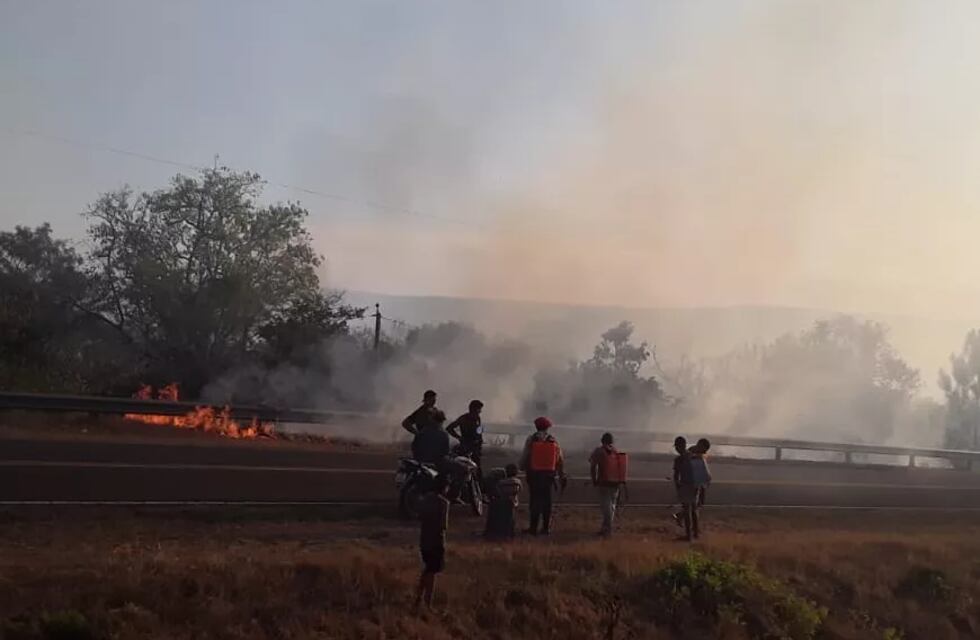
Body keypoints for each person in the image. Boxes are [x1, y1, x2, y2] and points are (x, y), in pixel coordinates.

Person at [520, 416, 566, 535]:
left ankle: (533, 528)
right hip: (548, 476)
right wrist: (561, 476)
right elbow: (560, 459)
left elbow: (525, 455)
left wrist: (521, 466)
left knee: (534, 500)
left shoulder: (531, 439)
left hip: (534, 475)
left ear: (536, 427)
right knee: (547, 501)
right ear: (547, 428)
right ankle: (545, 528)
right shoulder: (553, 441)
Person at [415, 473, 450, 611]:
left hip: (424, 540)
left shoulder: (425, 499)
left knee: (427, 571)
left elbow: (419, 516)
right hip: (436, 542)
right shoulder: (444, 503)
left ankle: (418, 598)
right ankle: (428, 604)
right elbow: (444, 526)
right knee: (432, 573)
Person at [589, 432, 623, 537]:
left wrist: (594, 479)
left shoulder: (599, 451)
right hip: (615, 482)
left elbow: (593, 466)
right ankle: (606, 527)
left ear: (602, 440)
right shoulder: (616, 451)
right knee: (611, 506)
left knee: (606, 506)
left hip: (604, 482)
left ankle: (607, 528)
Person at [673, 438, 712, 527]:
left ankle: (683, 518)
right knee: (693, 506)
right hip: (693, 482)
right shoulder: (692, 452)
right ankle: (689, 527)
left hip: (697, 482)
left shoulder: (697, 453)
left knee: (695, 505)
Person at [483, 463, 522, 539]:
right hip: (511, 502)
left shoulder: (501, 483)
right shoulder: (517, 482)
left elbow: (498, 490)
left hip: (501, 499)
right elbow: (520, 489)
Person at [672, 436, 700, 541]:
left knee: (687, 510)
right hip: (695, 485)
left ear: (679, 446)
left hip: (686, 485)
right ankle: (695, 533)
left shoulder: (679, 459)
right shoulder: (693, 456)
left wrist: (678, 488)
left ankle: (688, 535)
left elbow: (676, 476)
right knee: (693, 510)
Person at [446, 400, 484, 470]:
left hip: (475, 448)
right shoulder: (463, 419)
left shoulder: (478, 418)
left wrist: (480, 441)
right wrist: (459, 437)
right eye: (479, 409)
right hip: (465, 447)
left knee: (477, 469)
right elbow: (449, 428)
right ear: (473, 409)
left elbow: (479, 431)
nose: (480, 411)